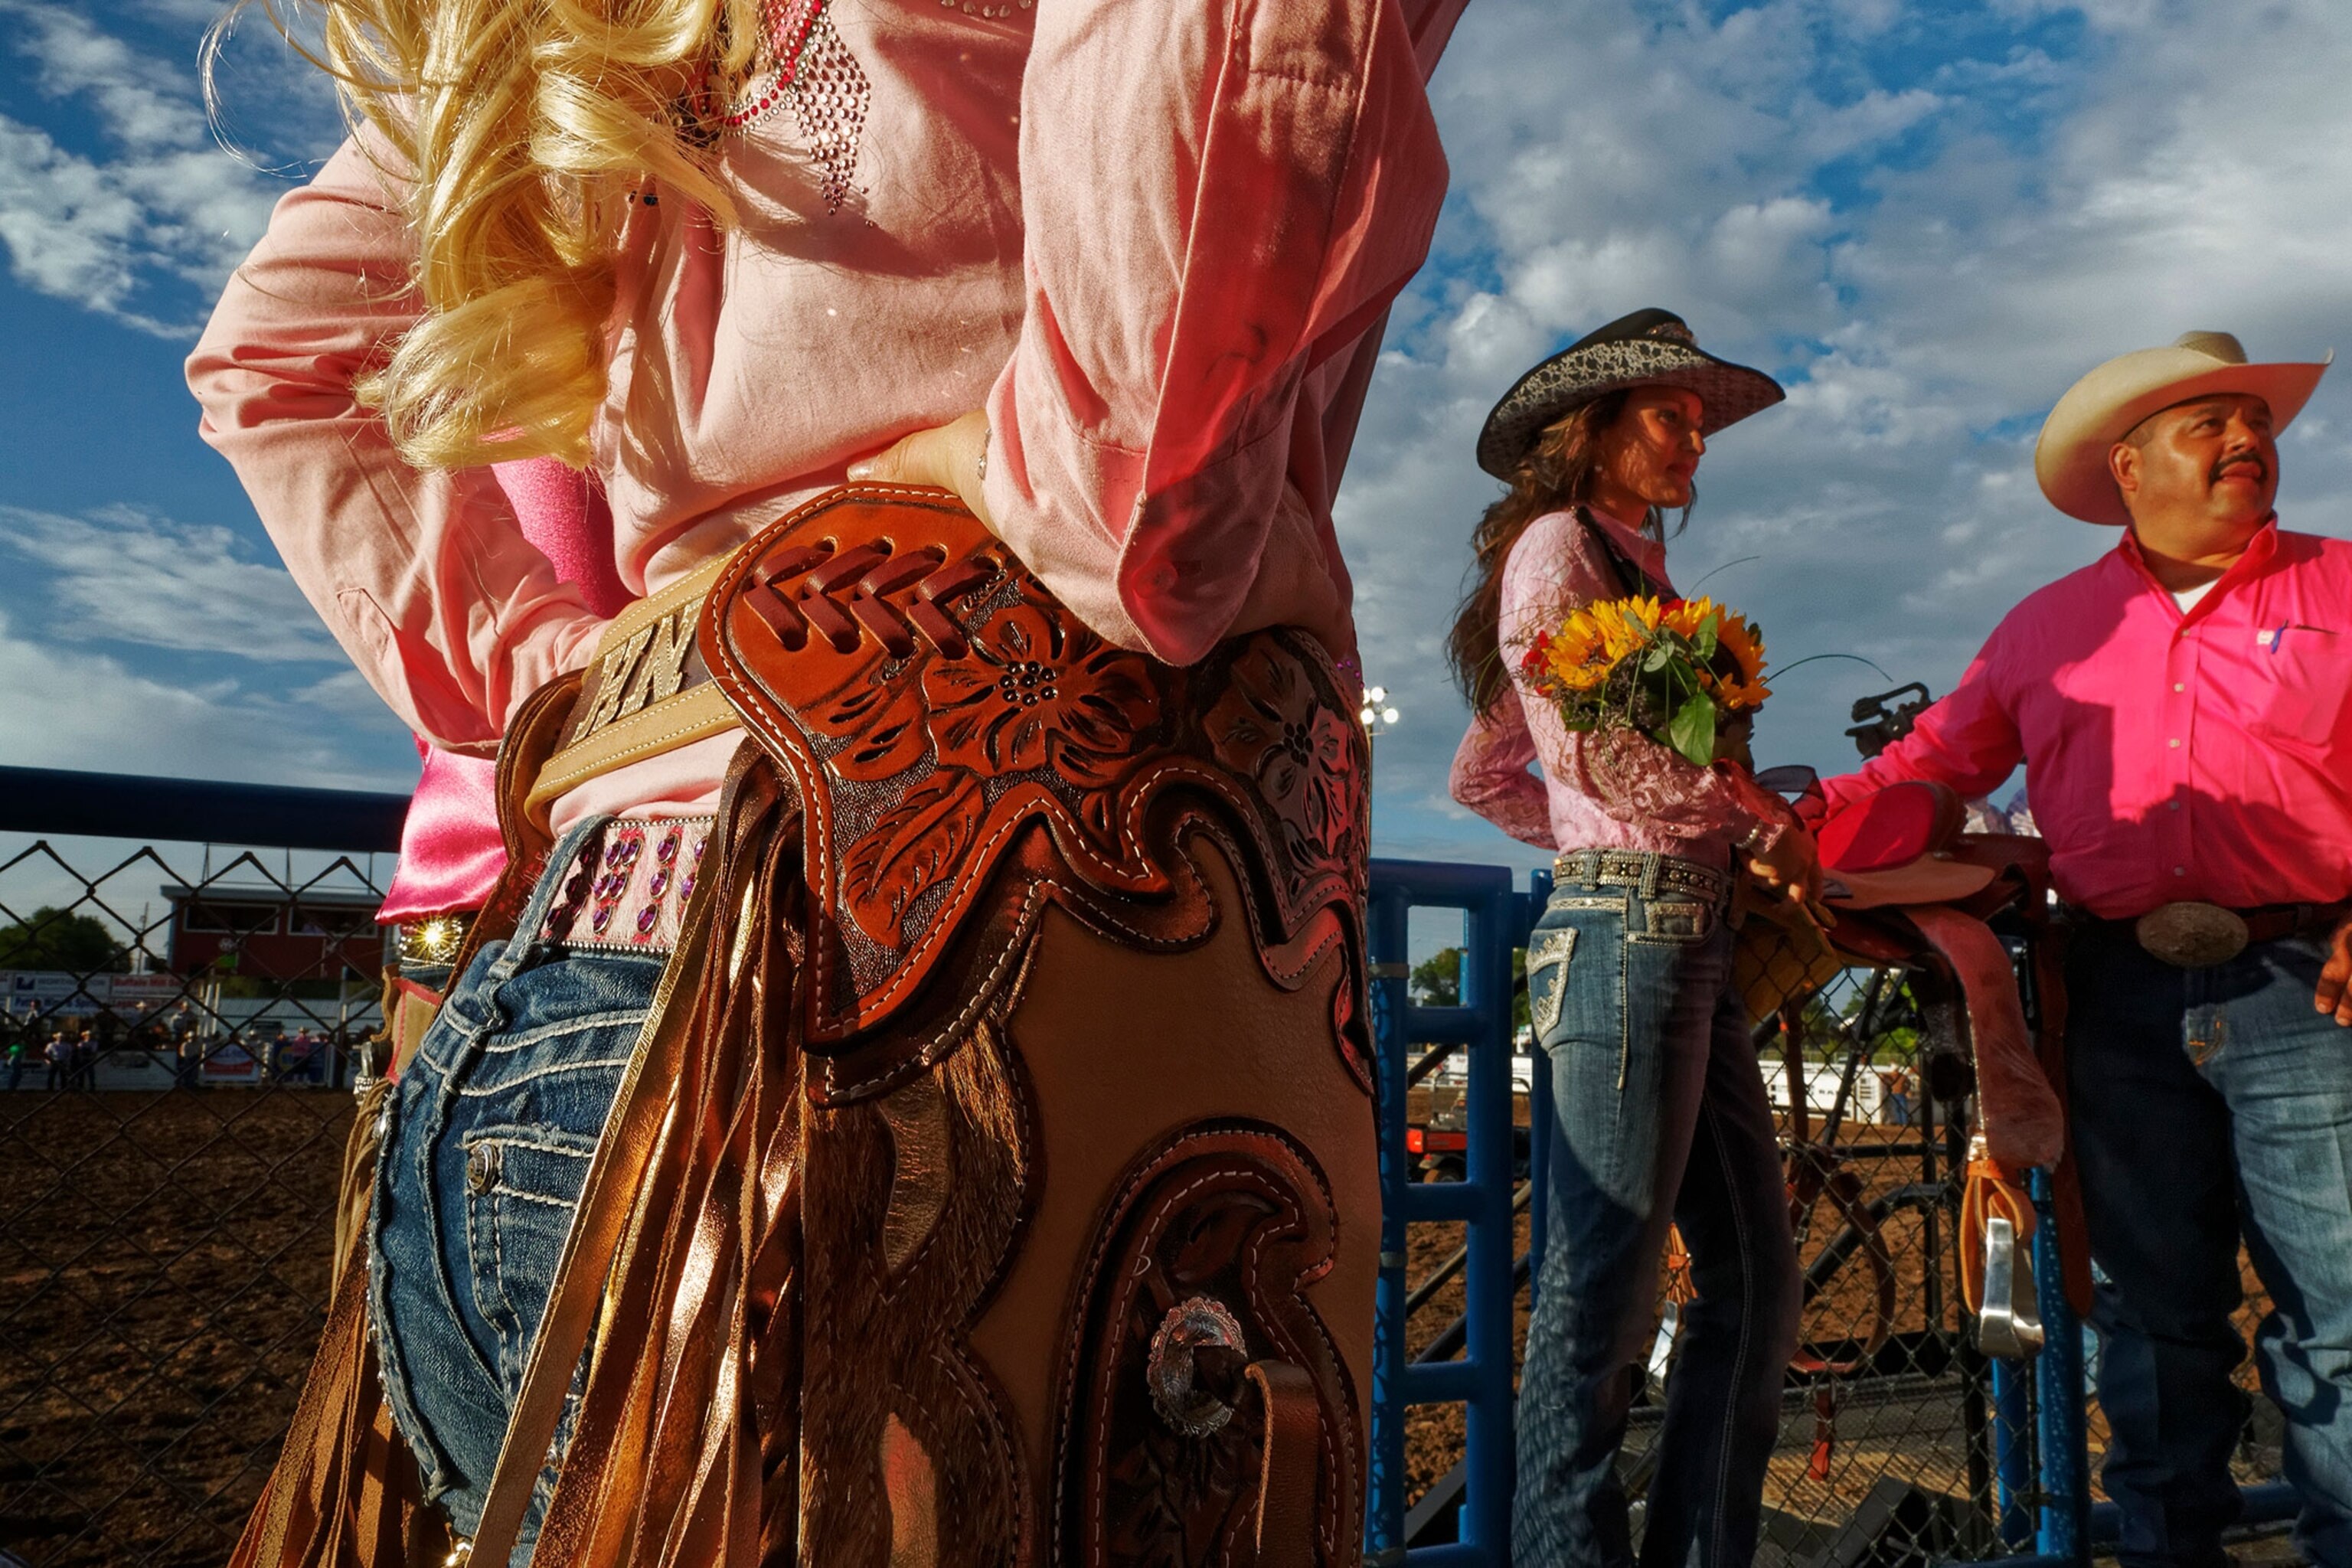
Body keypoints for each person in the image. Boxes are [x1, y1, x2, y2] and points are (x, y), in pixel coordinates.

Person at [190, 2, 1470, 1563]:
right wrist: (955, 474)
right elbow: (1139, 500)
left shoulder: (592, 24)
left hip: (588, 1016)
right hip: (933, 1047)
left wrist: (586, 685)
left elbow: (278, 353)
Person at [1823, 330, 2352, 1568]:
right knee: (2153, 1325)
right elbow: (1927, 775)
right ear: (2128, 466)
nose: (2246, 444)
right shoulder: (2041, 632)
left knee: (2337, 1325)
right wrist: (1779, 831)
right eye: (2207, 425)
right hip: (2114, 997)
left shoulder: (2342, 588)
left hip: (2307, 986)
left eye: (2254, 424)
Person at [1448, 308, 1818, 1568]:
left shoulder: (1627, 573)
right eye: (1672, 417)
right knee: (1603, 1304)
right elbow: (1586, 746)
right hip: (1634, 936)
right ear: (1593, 432)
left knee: (1756, 1284)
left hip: (1666, 929)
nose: (1693, 446)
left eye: (1699, 429)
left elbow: (1495, 772)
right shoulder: (1558, 547)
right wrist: (1734, 816)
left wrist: (1615, 830)